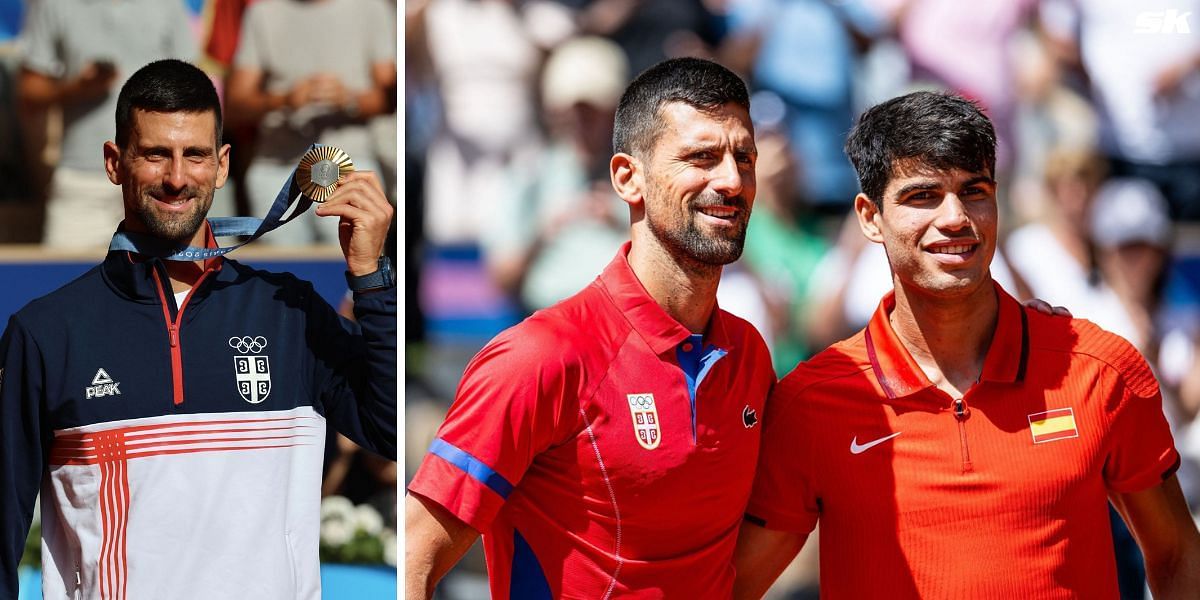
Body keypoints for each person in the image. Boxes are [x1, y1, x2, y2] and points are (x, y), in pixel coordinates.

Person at [733, 91, 1200, 599]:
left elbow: (1177, 556)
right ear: (869, 217)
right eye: (923, 195)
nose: (956, 217)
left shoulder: (1099, 369)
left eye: (974, 190)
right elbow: (732, 587)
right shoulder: (810, 405)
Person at [0, 59, 396, 599]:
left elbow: (391, 431)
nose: (177, 177)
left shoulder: (289, 314)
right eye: (156, 154)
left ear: (223, 164)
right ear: (115, 163)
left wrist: (372, 279)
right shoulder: (46, 333)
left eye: (196, 155)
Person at [405, 57, 775, 598]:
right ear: (629, 178)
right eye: (701, 157)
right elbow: (416, 556)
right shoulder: (540, 356)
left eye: (745, 157)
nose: (732, 180)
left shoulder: (749, 353)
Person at [17, 0, 196, 248]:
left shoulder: (170, 5)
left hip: (158, 178)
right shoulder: (51, 4)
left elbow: (192, 89)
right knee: (64, 281)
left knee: (162, 282)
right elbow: (29, 93)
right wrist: (78, 88)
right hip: (82, 180)